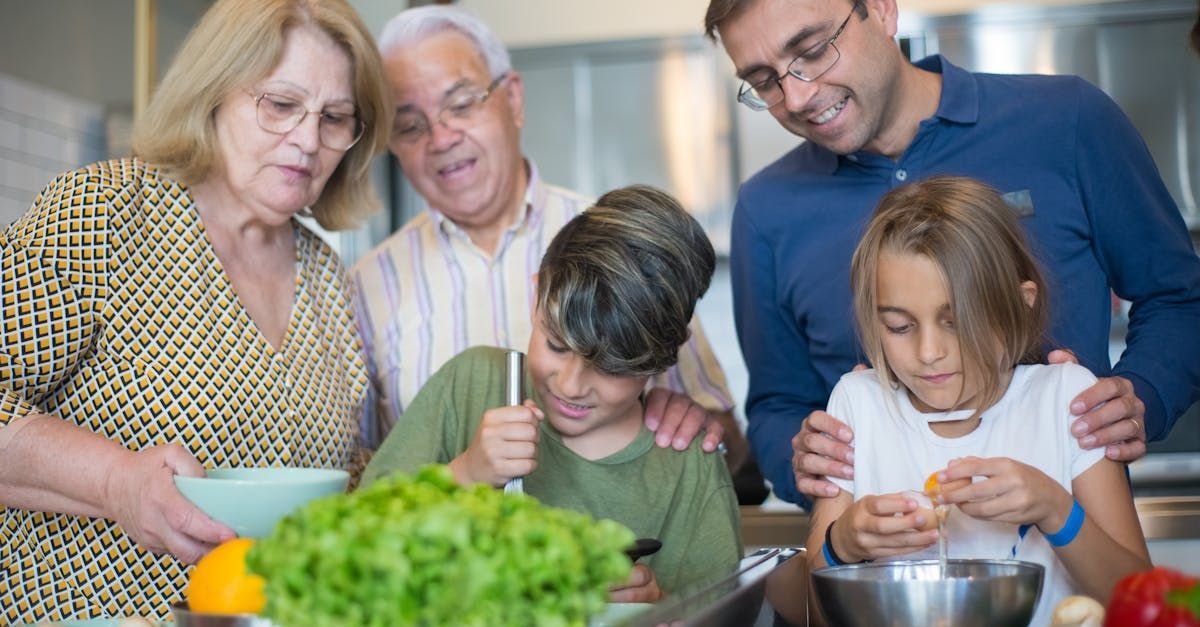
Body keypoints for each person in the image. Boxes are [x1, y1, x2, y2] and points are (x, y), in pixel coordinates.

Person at [704, 0, 1200, 506]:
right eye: (765, 81)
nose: (798, 95)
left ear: (880, 10)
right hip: (887, 565)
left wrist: (1143, 395)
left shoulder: (1067, 119)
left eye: (812, 51)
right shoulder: (766, 209)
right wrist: (806, 462)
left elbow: (1180, 298)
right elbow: (776, 405)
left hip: (1079, 547)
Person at [0, 0, 389, 621]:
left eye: (335, 117)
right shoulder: (103, 214)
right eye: (281, 105)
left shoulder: (328, 278)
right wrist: (118, 483)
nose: (310, 139)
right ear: (214, 94)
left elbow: (345, 473)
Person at [351, 6, 763, 496]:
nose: (441, 139)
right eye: (410, 126)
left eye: (461, 104)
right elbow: (365, 480)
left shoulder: (621, 249)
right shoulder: (364, 286)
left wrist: (700, 425)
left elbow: (732, 454)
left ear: (514, 98)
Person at [362, 185, 743, 602]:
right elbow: (355, 537)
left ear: (664, 357)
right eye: (557, 345)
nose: (570, 386)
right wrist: (465, 475)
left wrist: (657, 606)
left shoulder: (687, 467)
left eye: (611, 366)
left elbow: (723, 612)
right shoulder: (467, 385)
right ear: (536, 292)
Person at [804, 176, 1150, 626]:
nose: (929, 353)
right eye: (899, 327)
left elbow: (1142, 605)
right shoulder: (858, 407)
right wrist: (842, 544)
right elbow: (811, 610)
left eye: (956, 321)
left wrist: (1054, 509)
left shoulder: (1066, 399)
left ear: (1021, 306)